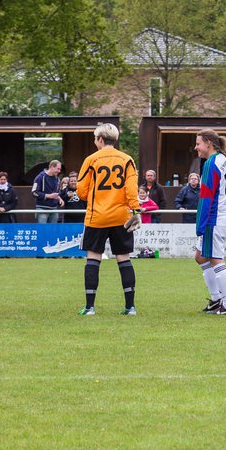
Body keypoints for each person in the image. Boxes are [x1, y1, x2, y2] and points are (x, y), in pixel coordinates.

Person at [75, 123, 141, 316]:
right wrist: (135, 210)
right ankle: (130, 307)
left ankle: (90, 308)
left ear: (101, 140)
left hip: (97, 216)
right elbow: (131, 190)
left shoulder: (91, 159)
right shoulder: (127, 160)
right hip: (121, 217)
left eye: (95, 139)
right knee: (124, 258)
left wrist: (95, 197)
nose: (95, 142)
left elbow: (81, 191)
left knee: (93, 258)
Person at [194, 129, 226, 315]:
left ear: (208, 143)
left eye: (198, 144)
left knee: (215, 258)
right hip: (222, 213)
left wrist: (200, 224)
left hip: (215, 216)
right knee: (200, 256)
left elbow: (206, 196)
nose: (196, 148)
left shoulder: (211, 164)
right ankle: (216, 298)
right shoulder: (221, 159)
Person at [33, 160, 64, 224]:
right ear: (52, 167)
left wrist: (59, 198)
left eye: (60, 169)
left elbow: (56, 193)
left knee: (53, 231)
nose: (59, 171)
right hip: (42, 208)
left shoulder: (57, 179)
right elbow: (34, 192)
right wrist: (48, 196)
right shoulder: (40, 177)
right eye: (58, 169)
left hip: (54, 209)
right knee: (43, 230)